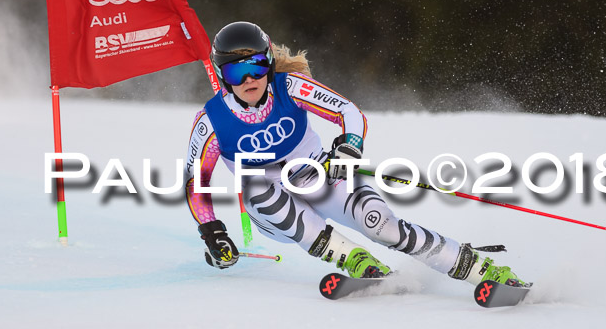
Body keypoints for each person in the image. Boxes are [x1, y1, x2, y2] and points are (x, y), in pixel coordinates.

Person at [184, 21, 527, 287]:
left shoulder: (289, 88)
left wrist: (348, 147)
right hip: (270, 209)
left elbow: (347, 112)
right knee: (257, 189)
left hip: (315, 176)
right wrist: (212, 230)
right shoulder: (211, 122)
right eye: (235, 72)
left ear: (270, 63)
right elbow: (195, 182)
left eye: (256, 66)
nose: (248, 79)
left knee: (381, 224)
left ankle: (479, 269)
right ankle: (354, 259)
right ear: (222, 75)